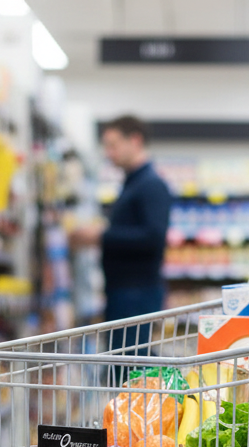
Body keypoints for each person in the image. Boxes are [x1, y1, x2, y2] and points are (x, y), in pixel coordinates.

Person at [71, 115, 172, 380]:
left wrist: (101, 236)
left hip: (136, 294)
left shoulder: (151, 185)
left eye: (113, 145)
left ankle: (137, 419)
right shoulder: (133, 183)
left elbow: (153, 237)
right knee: (125, 366)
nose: (109, 153)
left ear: (135, 140)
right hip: (124, 292)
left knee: (129, 369)